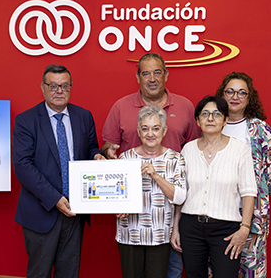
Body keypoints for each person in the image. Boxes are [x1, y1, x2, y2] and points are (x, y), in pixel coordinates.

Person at [101, 52, 199, 277]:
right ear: (138, 77)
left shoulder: (185, 107)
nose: (152, 78)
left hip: (170, 219)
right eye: (146, 73)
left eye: (157, 72)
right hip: (131, 227)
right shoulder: (120, 107)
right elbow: (109, 147)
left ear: (166, 75)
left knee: (171, 271)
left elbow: (193, 150)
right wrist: (108, 156)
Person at [12, 64, 105, 278]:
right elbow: (23, 166)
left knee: (69, 273)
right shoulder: (26, 120)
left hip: (75, 211)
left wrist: (96, 156)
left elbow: (91, 147)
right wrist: (55, 198)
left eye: (64, 86)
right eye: (53, 86)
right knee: (40, 273)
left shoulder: (84, 116)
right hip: (41, 210)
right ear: (43, 87)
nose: (59, 91)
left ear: (71, 88)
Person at [171, 96, 257, 278]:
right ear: (198, 120)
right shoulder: (188, 149)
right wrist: (176, 228)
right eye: (205, 114)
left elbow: (249, 192)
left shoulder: (240, 150)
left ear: (225, 120)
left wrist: (245, 228)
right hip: (191, 227)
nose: (210, 118)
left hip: (226, 229)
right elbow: (181, 193)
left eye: (217, 114)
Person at [214, 72, 271, 278]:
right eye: (230, 92)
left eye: (242, 92)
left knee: (251, 271)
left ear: (249, 97)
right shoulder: (212, 126)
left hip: (253, 218)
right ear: (222, 95)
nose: (235, 97)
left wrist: (257, 195)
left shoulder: (261, 130)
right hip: (218, 213)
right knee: (218, 270)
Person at [116, 105, 187, 278]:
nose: (150, 134)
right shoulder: (125, 158)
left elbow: (180, 197)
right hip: (129, 234)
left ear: (164, 131)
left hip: (160, 235)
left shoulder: (175, 159)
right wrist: (118, 207)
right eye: (145, 129)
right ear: (138, 131)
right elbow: (116, 194)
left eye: (156, 129)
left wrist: (155, 175)